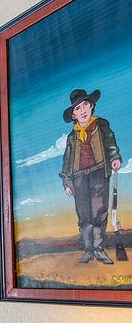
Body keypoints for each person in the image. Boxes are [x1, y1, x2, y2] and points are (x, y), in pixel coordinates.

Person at [59, 88, 122, 264]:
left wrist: (115, 157)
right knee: (84, 214)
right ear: (74, 115)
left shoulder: (101, 125)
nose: (83, 110)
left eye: (86, 104)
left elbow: (111, 144)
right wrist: (67, 182)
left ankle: (99, 249)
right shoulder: (72, 137)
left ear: (92, 106)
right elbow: (67, 160)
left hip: (99, 173)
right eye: (78, 108)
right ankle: (88, 250)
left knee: (99, 212)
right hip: (79, 178)